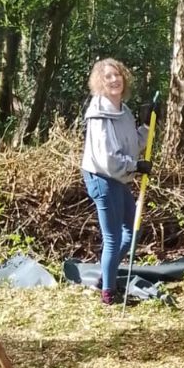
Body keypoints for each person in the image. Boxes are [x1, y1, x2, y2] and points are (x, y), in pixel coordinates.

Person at [79, 58, 148, 305]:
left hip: (117, 177)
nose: (114, 80)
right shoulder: (99, 115)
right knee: (113, 238)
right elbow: (108, 159)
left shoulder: (124, 111)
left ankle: (104, 277)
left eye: (117, 74)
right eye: (107, 77)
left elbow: (135, 145)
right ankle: (109, 294)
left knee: (132, 232)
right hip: (102, 178)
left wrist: (148, 125)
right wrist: (135, 167)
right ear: (100, 82)